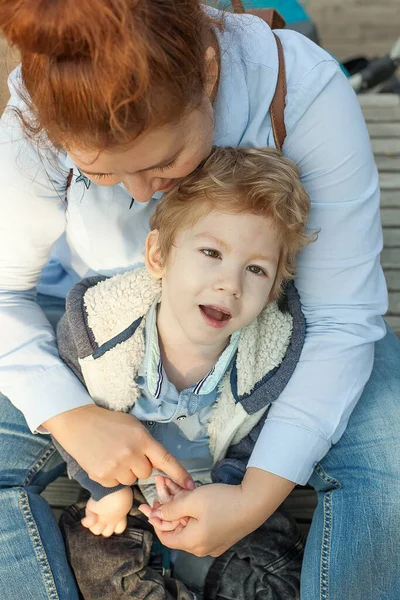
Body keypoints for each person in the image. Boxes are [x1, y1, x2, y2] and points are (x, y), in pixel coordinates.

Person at [0, 2, 398, 599]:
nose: (140, 193)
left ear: (208, 74)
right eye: (102, 174)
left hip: (273, 336)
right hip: (94, 338)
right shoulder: (43, 106)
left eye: (163, 161)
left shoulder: (303, 88)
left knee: (389, 466)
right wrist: (71, 415)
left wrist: (255, 496)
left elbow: (344, 319)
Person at [53, 146, 310, 596]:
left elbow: (258, 447)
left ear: (273, 291)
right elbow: (69, 415)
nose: (230, 283)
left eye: (255, 269)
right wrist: (101, 485)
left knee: (280, 570)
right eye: (211, 252)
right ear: (158, 255)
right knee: (92, 552)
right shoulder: (98, 331)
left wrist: (227, 494)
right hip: (125, 500)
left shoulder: (266, 362)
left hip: (217, 498)